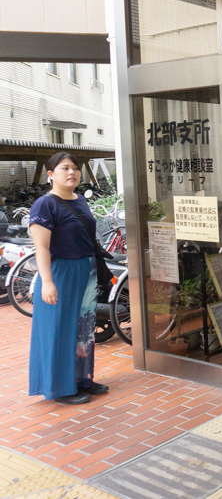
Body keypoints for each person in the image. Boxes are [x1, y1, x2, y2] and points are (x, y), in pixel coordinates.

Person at [28, 152, 109, 405]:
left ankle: (81, 379)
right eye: (65, 168)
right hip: (61, 273)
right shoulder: (45, 204)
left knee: (83, 328)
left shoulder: (79, 200)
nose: (72, 172)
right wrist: (47, 282)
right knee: (60, 329)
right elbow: (42, 248)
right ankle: (59, 388)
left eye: (75, 168)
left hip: (86, 271)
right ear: (51, 174)